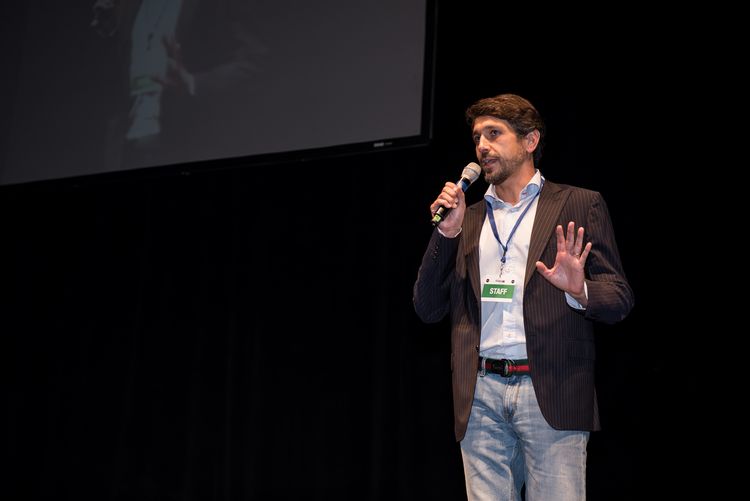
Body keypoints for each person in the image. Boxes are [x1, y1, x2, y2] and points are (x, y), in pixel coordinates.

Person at [413, 93, 634, 500]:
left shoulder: (579, 204)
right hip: (480, 395)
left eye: (494, 134)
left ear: (530, 141)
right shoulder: (468, 218)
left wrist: (580, 289)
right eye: (477, 137)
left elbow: (619, 298)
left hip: (550, 388)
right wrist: (447, 233)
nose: (482, 147)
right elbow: (427, 308)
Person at [91, 0, 268, 171]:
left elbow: (254, 61)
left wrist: (193, 84)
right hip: (126, 156)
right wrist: (109, 29)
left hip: (190, 149)